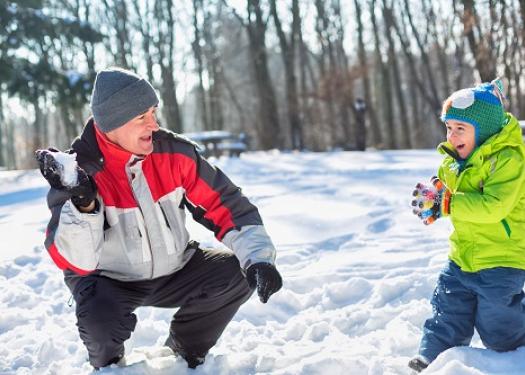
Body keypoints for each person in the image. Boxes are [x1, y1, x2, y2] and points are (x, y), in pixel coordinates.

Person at [35, 67, 283, 370]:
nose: (153, 124)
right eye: (142, 117)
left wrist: (259, 258)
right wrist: (83, 203)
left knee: (237, 273)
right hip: (109, 280)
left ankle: (185, 348)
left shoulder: (173, 153)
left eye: (153, 112)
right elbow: (77, 262)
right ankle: (111, 366)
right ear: (112, 123)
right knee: (99, 321)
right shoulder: (77, 172)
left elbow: (226, 202)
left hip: (174, 267)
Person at [409, 78, 525, 372]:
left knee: (498, 328)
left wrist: (447, 203)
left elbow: (493, 207)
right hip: (462, 256)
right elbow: (445, 191)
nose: (452, 135)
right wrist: (433, 197)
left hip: (502, 259)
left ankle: (515, 353)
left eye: (461, 129)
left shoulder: (507, 160)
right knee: (448, 307)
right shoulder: (452, 162)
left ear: (483, 130)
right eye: (449, 127)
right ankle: (432, 356)